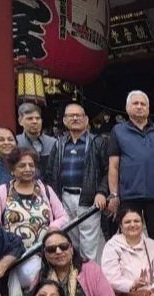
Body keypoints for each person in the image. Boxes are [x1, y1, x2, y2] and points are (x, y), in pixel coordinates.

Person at [0, 147, 68, 289]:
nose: (28, 169)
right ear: (12, 169)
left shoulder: (45, 190)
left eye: (31, 165)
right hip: (14, 260)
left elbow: (63, 216)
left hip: (44, 257)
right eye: (22, 166)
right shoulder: (2, 193)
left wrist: (53, 227)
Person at [107, 90, 154, 243]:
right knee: (130, 237)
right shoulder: (118, 131)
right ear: (127, 108)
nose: (139, 107)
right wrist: (113, 195)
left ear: (148, 108)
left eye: (143, 104)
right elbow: (113, 166)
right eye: (135, 103)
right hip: (129, 195)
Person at [44, 102, 110, 263]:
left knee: (89, 244)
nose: (75, 118)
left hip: (88, 198)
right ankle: (75, 274)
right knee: (70, 241)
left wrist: (102, 192)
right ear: (64, 121)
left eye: (78, 115)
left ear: (86, 120)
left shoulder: (97, 142)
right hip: (64, 198)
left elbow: (108, 171)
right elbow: (50, 173)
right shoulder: (59, 144)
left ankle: (89, 275)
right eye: (70, 116)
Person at [0, 103, 57, 178]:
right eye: (30, 119)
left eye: (37, 118)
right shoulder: (15, 142)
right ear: (20, 121)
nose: (34, 121)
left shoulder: (53, 143)